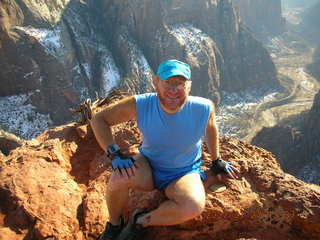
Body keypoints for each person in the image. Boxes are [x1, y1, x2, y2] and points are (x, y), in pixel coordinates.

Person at [90, 59, 238, 240]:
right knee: (119, 177)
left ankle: (141, 221)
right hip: (148, 167)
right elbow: (99, 120)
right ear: (156, 82)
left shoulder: (203, 108)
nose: (173, 89)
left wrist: (216, 160)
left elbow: (210, 128)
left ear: (189, 86)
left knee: (192, 206)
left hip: (183, 173)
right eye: (167, 82)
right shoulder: (141, 104)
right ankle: (114, 225)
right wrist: (113, 153)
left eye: (180, 83)